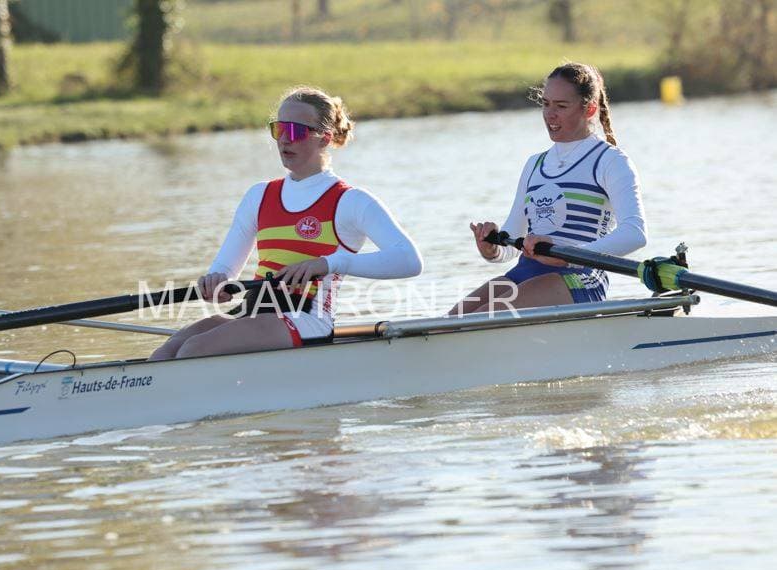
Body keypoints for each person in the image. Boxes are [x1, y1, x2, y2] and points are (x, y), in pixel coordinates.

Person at [150, 86, 422, 360]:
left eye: (296, 131)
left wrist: (329, 263)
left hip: (307, 316)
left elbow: (409, 260)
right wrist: (216, 281)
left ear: (324, 138)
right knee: (168, 351)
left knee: (195, 349)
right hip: (255, 308)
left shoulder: (351, 201)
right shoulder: (259, 195)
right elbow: (225, 267)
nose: (284, 139)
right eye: (279, 129)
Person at [449, 62, 647, 315]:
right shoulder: (534, 164)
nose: (550, 114)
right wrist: (492, 250)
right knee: (447, 323)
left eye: (561, 106)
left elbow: (635, 233)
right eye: (545, 104)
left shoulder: (611, 161)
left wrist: (568, 256)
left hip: (580, 277)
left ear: (589, 109)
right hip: (526, 272)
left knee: (479, 319)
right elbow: (511, 244)